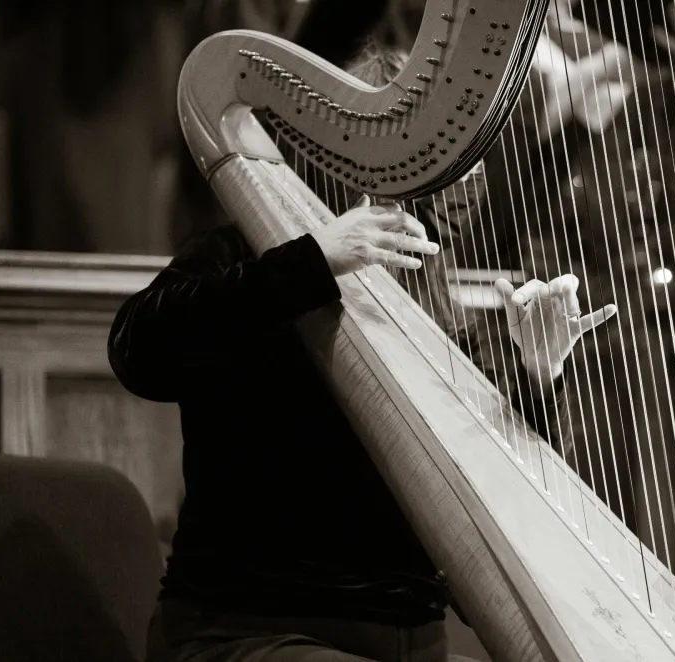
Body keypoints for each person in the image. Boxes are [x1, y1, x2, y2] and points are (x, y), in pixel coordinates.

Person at [113, 41, 617, 662]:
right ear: (348, 160)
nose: (455, 188)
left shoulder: (429, 308)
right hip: (248, 632)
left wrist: (539, 372)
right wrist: (314, 260)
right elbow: (136, 349)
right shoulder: (243, 257)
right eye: (431, 165)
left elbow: (501, 508)